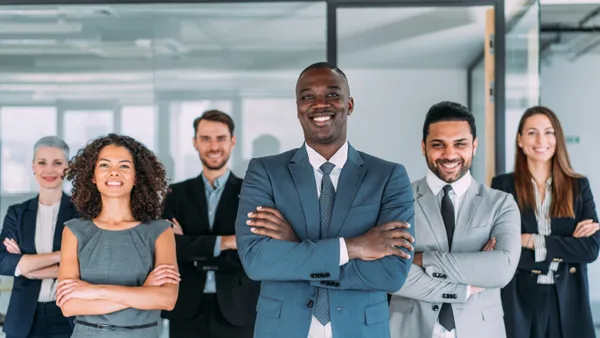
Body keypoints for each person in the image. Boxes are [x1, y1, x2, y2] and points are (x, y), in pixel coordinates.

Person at [235, 62, 415, 338]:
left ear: (349, 104)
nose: (320, 104)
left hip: (361, 330)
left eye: (332, 94)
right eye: (308, 97)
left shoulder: (388, 176)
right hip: (283, 329)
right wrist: (352, 247)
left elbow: (392, 273)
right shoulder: (265, 172)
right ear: (298, 108)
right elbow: (256, 260)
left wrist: (295, 247)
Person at [389, 101, 521, 338]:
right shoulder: (397, 200)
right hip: (409, 329)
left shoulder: (501, 203)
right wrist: (468, 285)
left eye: (460, 144)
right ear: (423, 146)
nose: (449, 155)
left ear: (474, 146)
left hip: (480, 330)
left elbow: (501, 270)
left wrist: (421, 259)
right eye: (438, 145)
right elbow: (392, 273)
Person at [56, 133, 179, 338]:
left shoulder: (161, 231)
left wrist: (94, 292)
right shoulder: (74, 231)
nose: (114, 172)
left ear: (136, 177)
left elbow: (166, 299)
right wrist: (144, 290)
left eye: (124, 166)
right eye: (104, 165)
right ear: (93, 176)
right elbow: (69, 306)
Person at [491, 106, 599, 338]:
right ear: (520, 140)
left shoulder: (578, 186)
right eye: (532, 132)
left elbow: (589, 250)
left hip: (569, 299)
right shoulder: (503, 186)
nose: (541, 140)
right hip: (518, 299)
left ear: (557, 138)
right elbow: (499, 248)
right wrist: (566, 245)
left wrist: (529, 240)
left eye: (549, 132)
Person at [162, 110, 260, 338]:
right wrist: (226, 241)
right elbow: (169, 247)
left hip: (238, 307)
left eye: (221, 138)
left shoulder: (253, 194)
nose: (214, 146)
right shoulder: (175, 194)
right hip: (186, 308)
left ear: (232, 141)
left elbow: (253, 251)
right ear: (195, 143)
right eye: (205, 138)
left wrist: (192, 248)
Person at [0, 136, 79, 338]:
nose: (49, 170)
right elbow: (3, 262)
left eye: (57, 163)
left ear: (67, 168)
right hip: (24, 316)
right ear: (34, 167)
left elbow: (87, 265)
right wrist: (63, 256)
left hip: (68, 316)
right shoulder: (16, 213)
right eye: (42, 163)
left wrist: (26, 267)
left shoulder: (81, 214)